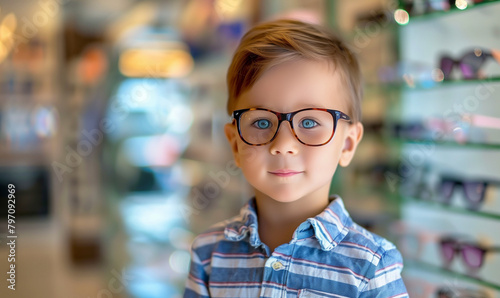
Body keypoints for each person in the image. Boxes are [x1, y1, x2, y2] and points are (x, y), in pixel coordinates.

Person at [184, 19, 408, 297]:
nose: (283, 145)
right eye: (262, 123)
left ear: (348, 144)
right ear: (235, 143)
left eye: (310, 122)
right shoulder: (209, 254)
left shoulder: (372, 265)